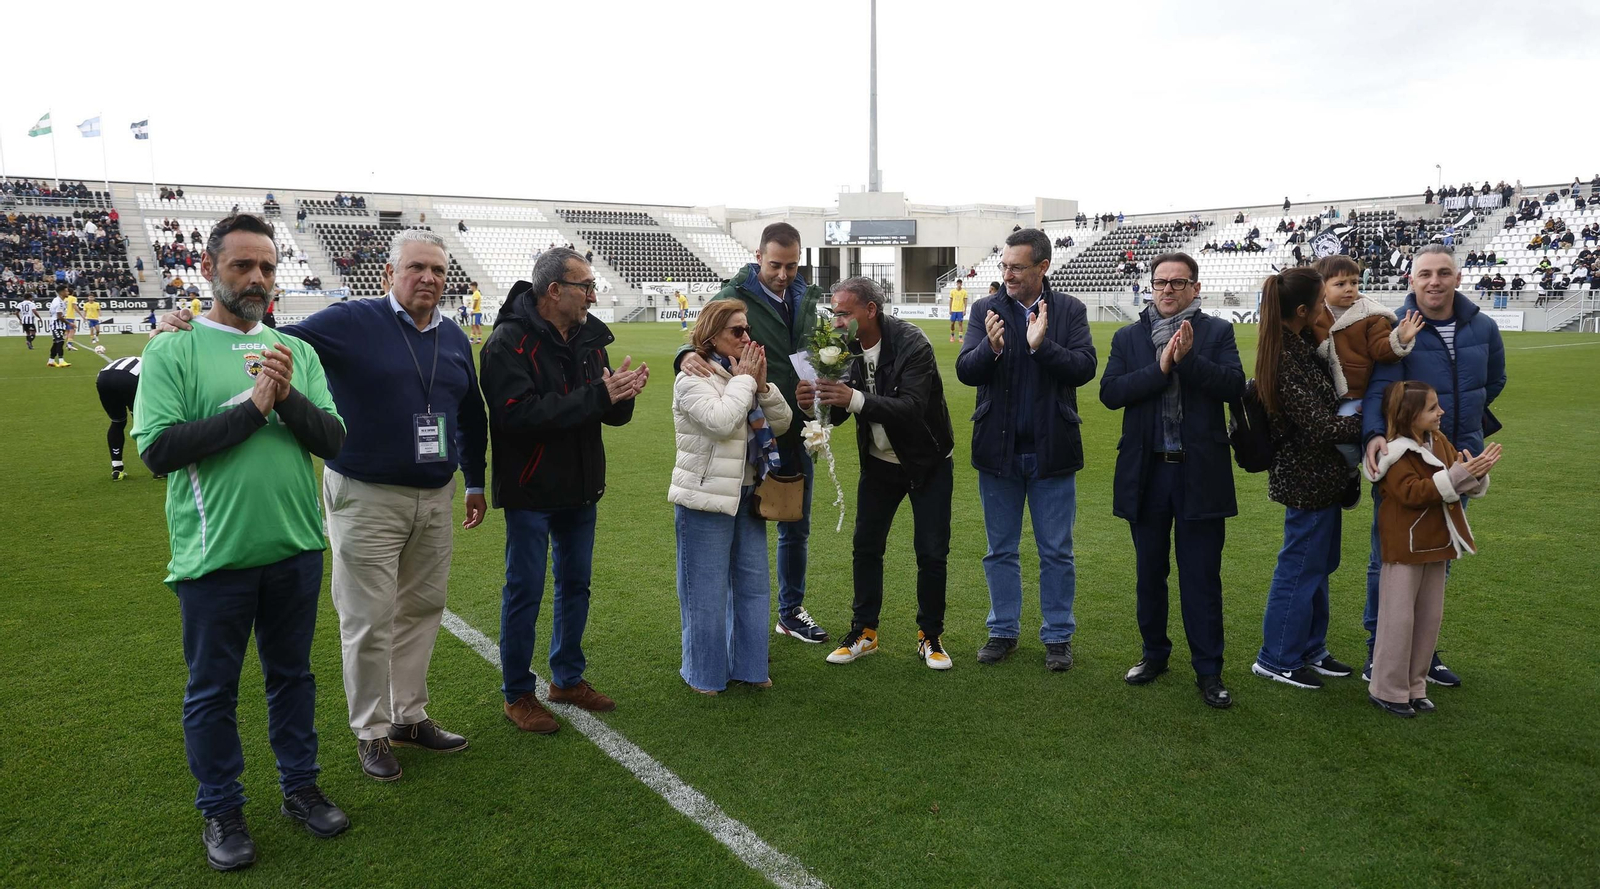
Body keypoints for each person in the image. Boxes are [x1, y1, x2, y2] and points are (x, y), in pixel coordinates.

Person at [151, 227, 491, 782]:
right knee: (368, 617)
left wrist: (474, 480)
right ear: (389, 274)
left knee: (423, 610)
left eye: (437, 269)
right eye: (416, 268)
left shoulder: (453, 337)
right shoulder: (349, 320)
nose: (428, 278)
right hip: (365, 493)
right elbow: (261, 330)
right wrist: (183, 323)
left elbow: (469, 415)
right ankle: (371, 731)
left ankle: (409, 715)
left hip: (435, 495)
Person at [131, 213, 349, 870]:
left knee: (293, 678)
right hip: (214, 557)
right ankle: (222, 808)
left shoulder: (296, 352)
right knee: (212, 689)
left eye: (267, 267)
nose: (257, 278)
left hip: (294, 549)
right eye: (242, 265)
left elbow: (333, 440)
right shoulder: (171, 350)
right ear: (208, 268)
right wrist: (253, 408)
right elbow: (160, 450)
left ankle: (300, 788)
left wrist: (283, 399)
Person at [482, 248, 648, 733]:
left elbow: (600, 409)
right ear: (554, 290)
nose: (593, 295)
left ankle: (566, 679)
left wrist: (621, 397)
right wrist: (600, 395)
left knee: (576, 586)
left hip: (581, 488)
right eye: (585, 286)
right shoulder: (507, 343)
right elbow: (516, 416)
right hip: (532, 491)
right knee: (525, 591)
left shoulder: (590, 338)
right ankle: (517, 694)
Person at [1099, 253, 1243, 709]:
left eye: (1178, 283)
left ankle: (1209, 670)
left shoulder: (1216, 332)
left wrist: (1186, 361)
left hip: (1200, 473)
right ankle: (1154, 654)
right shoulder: (1128, 336)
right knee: (1149, 573)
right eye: (1160, 282)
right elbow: (1111, 393)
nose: (1167, 290)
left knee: (1201, 577)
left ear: (1195, 288)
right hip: (1148, 472)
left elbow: (1234, 385)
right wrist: (1161, 368)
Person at [675, 222, 830, 644]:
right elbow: (704, 332)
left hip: (798, 425)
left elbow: (816, 350)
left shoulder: (807, 296)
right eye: (776, 264)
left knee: (794, 521)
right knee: (742, 524)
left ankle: (790, 610)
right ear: (758, 256)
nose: (784, 274)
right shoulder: (733, 294)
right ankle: (736, 622)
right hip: (750, 429)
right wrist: (686, 353)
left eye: (793, 265)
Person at [1360, 244, 1506, 686]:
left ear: (1458, 278)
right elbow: (1378, 388)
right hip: (1407, 463)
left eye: (1443, 273)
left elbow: (1492, 381)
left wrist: (1463, 435)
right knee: (1388, 560)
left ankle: (1425, 653)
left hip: (1460, 459)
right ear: (1412, 280)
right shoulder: (1396, 329)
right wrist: (1374, 434)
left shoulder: (1483, 326)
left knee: (1440, 558)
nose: (1434, 282)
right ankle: (1378, 651)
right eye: (1425, 274)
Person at [955, 228, 1098, 671]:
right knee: (1000, 549)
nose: (1008, 274)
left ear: (1043, 267)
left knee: (1056, 550)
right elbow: (965, 371)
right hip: (997, 454)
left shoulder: (1069, 310)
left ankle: (1058, 636)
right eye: (1005, 266)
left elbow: (1085, 368)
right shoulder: (985, 309)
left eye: (1017, 267)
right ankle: (1003, 631)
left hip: (1052, 451)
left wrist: (1042, 348)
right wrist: (990, 351)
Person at [801, 277, 957, 670]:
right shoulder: (841, 347)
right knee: (866, 546)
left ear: (870, 310)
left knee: (931, 552)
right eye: (833, 312)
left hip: (927, 461)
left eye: (843, 312)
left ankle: (930, 636)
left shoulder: (913, 343)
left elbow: (913, 407)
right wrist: (813, 404)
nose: (836, 320)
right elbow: (838, 411)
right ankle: (865, 632)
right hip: (879, 463)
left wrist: (851, 398)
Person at [669, 302, 790, 694]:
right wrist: (745, 382)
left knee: (754, 587)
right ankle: (705, 675)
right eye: (737, 331)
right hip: (705, 497)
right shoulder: (692, 377)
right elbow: (721, 422)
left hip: (749, 493)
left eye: (747, 330)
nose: (747, 338)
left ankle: (751, 668)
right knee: (704, 591)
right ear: (711, 335)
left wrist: (764, 387)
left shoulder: (744, 375)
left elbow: (783, 422)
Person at [1251, 267, 1362, 690]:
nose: (1326, 308)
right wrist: (1375, 423)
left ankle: (1310, 648)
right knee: (1298, 569)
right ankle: (1276, 657)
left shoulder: (1299, 344)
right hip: (1306, 479)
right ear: (1302, 310)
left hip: (1324, 478)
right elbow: (1319, 426)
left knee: (1317, 566)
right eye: (1319, 303)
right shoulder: (1283, 357)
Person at [1363, 381, 1499, 717]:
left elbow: (1457, 473)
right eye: (1432, 408)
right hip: (1405, 549)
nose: (1441, 412)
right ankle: (1387, 689)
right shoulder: (1393, 453)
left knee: (1427, 619)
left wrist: (1476, 472)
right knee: (1398, 620)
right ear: (1410, 414)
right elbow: (1411, 492)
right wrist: (1458, 476)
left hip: (1437, 544)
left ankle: (1414, 686)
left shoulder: (1437, 441)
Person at [1310, 255, 1423, 466]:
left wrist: (1399, 339)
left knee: (1341, 439)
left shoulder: (1372, 316)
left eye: (1354, 282)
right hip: (1324, 394)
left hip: (1356, 395)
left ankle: (1352, 470)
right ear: (1322, 286)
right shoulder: (1314, 314)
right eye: (1340, 283)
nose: (1349, 288)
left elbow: (1381, 350)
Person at [98, 355, 147, 480]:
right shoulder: (153, 363)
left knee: (117, 422)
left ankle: (117, 468)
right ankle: (159, 469)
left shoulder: (138, 359)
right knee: (143, 423)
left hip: (103, 377)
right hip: (129, 378)